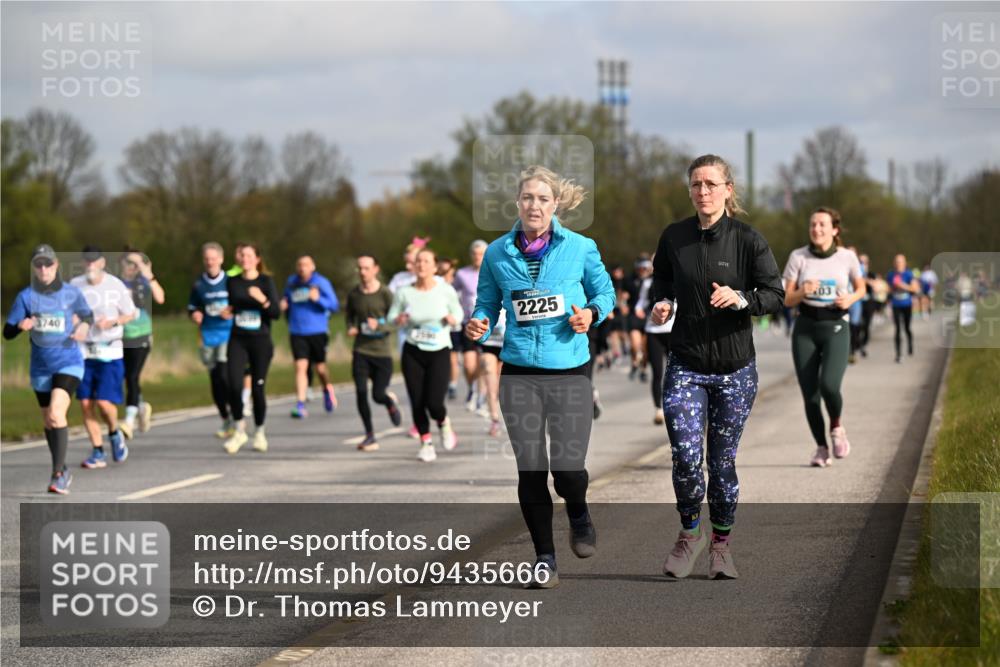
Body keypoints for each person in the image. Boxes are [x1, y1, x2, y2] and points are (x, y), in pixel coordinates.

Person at [466, 165, 616, 589]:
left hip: (569, 369)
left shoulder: (581, 247)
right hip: (518, 373)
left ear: (556, 205)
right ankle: (544, 557)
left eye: (543, 199)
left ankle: (579, 509)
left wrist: (591, 313)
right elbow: (487, 303)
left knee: (568, 471)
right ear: (518, 203)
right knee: (531, 470)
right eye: (528, 198)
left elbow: (605, 293)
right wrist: (478, 322)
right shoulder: (497, 253)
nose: (535, 205)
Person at [649, 154, 784, 580]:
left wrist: (742, 298)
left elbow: (775, 295)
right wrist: (663, 302)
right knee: (686, 457)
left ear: (728, 189)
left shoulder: (748, 240)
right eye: (695, 185)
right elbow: (662, 280)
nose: (702, 192)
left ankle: (721, 545)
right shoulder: (674, 237)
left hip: (734, 369)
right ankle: (691, 534)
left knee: (721, 462)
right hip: (686, 365)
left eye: (710, 184)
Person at [4, 245, 93, 494]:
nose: (43, 268)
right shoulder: (25, 297)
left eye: (48, 264)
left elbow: (88, 315)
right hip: (41, 367)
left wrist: (84, 326)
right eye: (39, 264)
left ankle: (57, 474)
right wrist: (21, 326)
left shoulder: (71, 293)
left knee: (56, 413)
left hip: (69, 362)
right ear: (34, 268)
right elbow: (7, 332)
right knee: (48, 420)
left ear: (56, 266)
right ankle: (63, 468)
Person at [783, 208, 866, 468]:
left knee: (829, 385)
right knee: (810, 395)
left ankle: (837, 427)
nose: (816, 229)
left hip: (836, 327)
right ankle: (821, 448)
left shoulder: (847, 257)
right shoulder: (798, 256)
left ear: (834, 230)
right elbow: (786, 299)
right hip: (805, 328)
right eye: (813, 224)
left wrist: (850, 298)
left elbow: (862, 288)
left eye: (822, 224)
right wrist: (802, 291)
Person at [388, 247, 463, 462]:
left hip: (439, 350)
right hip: (412, 350)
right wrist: (398, 319)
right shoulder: (404, 292)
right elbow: (392, 315)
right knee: (417, 400)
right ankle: (426, 442)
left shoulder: (445, 289)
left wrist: (453, 319)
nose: (421, 265)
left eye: (426, 261)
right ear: (413, 266)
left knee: (434, 402)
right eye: (418, 261)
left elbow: (458, 312)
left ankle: (443, 423)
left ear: (434, 266)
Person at [71, 246, 137, 469]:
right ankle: (98, 451)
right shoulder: (75, 285)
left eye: (94, 261)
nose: (90, 265)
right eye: (87, 261)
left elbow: (131, 313)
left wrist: (113, 322)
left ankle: (114, 432)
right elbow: (68, 312)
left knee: (104, 402)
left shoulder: (114, 285)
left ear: (102, 263)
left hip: (110, 350)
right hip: (84, 350)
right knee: (86, 403)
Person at [221, 244, 280, 454]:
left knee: (257, 388)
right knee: (233, 385)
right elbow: (234, 305)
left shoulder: (265, 281)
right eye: (241, 255)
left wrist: (262, 299)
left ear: (257, 259)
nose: (244, 258)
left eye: (248, 255)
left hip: (260, 341)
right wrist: (228, 311)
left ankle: (260, 432)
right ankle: (239, 430)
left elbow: (275, 313)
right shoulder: (233, 282)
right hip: (238, 339)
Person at [345, 254, 403, 451]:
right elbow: (349, 317)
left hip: (382, 353)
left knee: (377, 394)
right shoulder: (354, 294)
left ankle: (389, 402)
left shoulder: (385, 294)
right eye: (360, 268)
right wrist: (351, 327)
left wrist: (378, 325)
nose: (362, 272)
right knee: (361, 393)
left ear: (375, 269)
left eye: (366, 268)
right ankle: (370, 435)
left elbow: (395, 322)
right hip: (361, 350)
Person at [282, 255, 340, 419]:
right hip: (297, 331)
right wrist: (284, 305)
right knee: (300, 367)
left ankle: (327, 389)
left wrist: (318, 299)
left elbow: (334, 305)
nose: (302, 268)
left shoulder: (321, 282)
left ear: (312, 266)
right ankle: (300, 404)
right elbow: (287, 300)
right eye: (299, 265)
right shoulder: (292, 282)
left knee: (320, 368)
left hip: (317, 331)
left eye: (306, 265)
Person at [188, 242, 235, 439]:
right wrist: (195, 314)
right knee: (215, 380)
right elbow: (192, 307)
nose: (210, 262)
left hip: (228, 333)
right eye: (207, 258)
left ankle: (235, 412)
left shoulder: (231, 282)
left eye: (213, 258)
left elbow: (240, 302)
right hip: (208, 335)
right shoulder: (199, 285)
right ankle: (225, 418)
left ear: (221, 260)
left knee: (225, 375)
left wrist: (231, 311)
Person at [119, 250, 165, 436]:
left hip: (142, 337)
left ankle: (128, 421)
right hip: (119, 338)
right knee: (125, 377)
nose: (133, 266)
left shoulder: (144, 283)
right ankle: (141, 405)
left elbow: (161, 298)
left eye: (137, 263)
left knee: (132, 376)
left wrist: (149, 274)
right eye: (130, 262)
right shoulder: (114, 283)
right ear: (121, 262)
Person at [452, 240, 488, 409]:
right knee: (468, 364)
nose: (477, 257)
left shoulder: (494, 272)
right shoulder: (462, 274)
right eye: (475, 254)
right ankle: (472, 387)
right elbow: (452, 294)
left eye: (481, 254)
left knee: (485, 361)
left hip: (490, 325)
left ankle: (481, 392)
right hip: (468, 323)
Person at [886, 254, 921, 363]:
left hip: (907, 305)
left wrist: (903, 286)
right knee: (897, 329)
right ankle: (898, 354)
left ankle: (910, 344)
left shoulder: (909, 274)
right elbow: (888, 289)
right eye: (896, 262)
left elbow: (915, 289)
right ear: (894, 263)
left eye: (900, 262)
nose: (898, 264)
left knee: (906, 328)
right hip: (896, 305)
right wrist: (890, 289)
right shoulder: (891, 275)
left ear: (904, 263)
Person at [625, 254, 653, 382]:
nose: (643, 271)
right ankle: (635, 362)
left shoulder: (655, 280)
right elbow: (622, 295)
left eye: (645, 268)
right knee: (635, 345)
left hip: (649, 316)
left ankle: (642, 369)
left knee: (645, 347)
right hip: (634, 316)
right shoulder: (631, 280)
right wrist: (623, 303)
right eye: (640, 268)